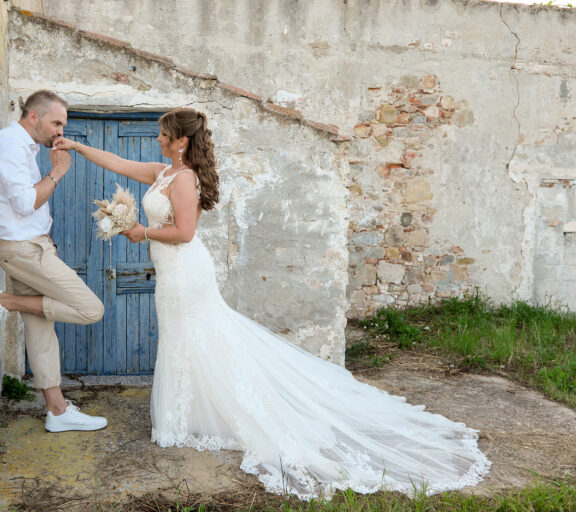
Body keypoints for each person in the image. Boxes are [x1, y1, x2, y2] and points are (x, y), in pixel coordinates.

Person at [52, 108, 491, 499]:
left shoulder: (183, 179)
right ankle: (191, 414)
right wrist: (77, 145)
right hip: (171, 275)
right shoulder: (163, 173)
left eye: (165, 133)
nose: (159, 138)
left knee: (198, 338)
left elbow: (185, 233)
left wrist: (140, 232)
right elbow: (118, 161)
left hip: (186, 273)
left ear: (181, 141)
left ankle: (207, 415)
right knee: (183, 341)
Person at [0, 90, 108, 433]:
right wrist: (58, 172)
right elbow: (24, 204)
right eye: (56, 122)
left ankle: (58, 411)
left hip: (32, 246)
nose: (60, 131)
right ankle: (3, 300)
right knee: (90, 309)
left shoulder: (24, 147)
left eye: (62, 124)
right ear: (33, 116)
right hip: (23, 250)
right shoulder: (8, 145)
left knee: (40, 331)